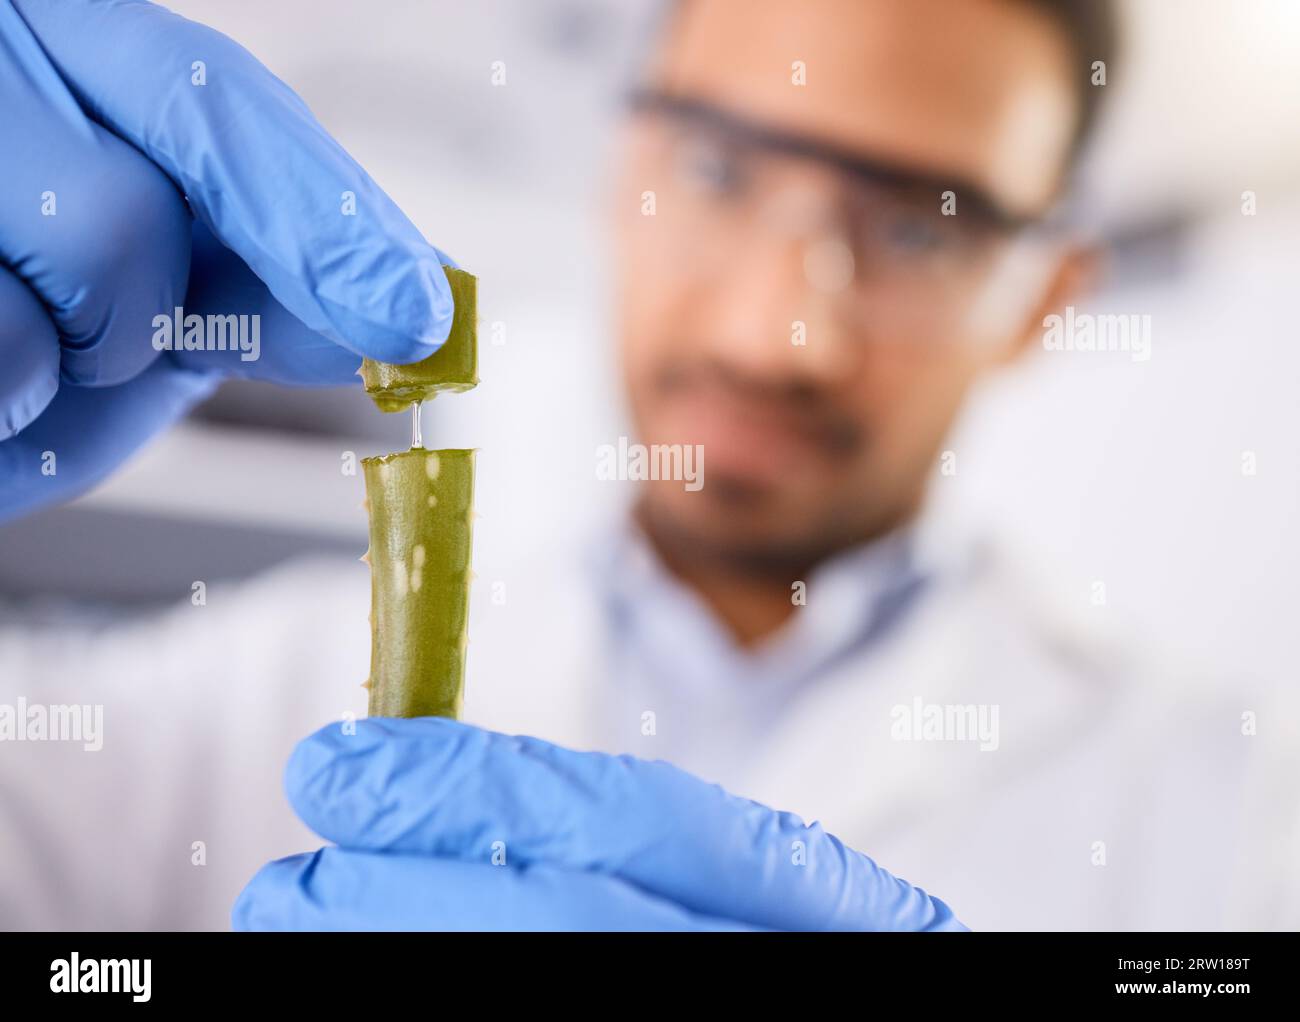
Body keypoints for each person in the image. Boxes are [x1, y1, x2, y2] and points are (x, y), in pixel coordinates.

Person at [0, 0, 1291, 930]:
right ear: (624, 180)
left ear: (1043, 300)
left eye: (916, 228)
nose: (777, 330)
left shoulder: (1237, 815)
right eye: (722, 170)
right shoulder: (225, 695)